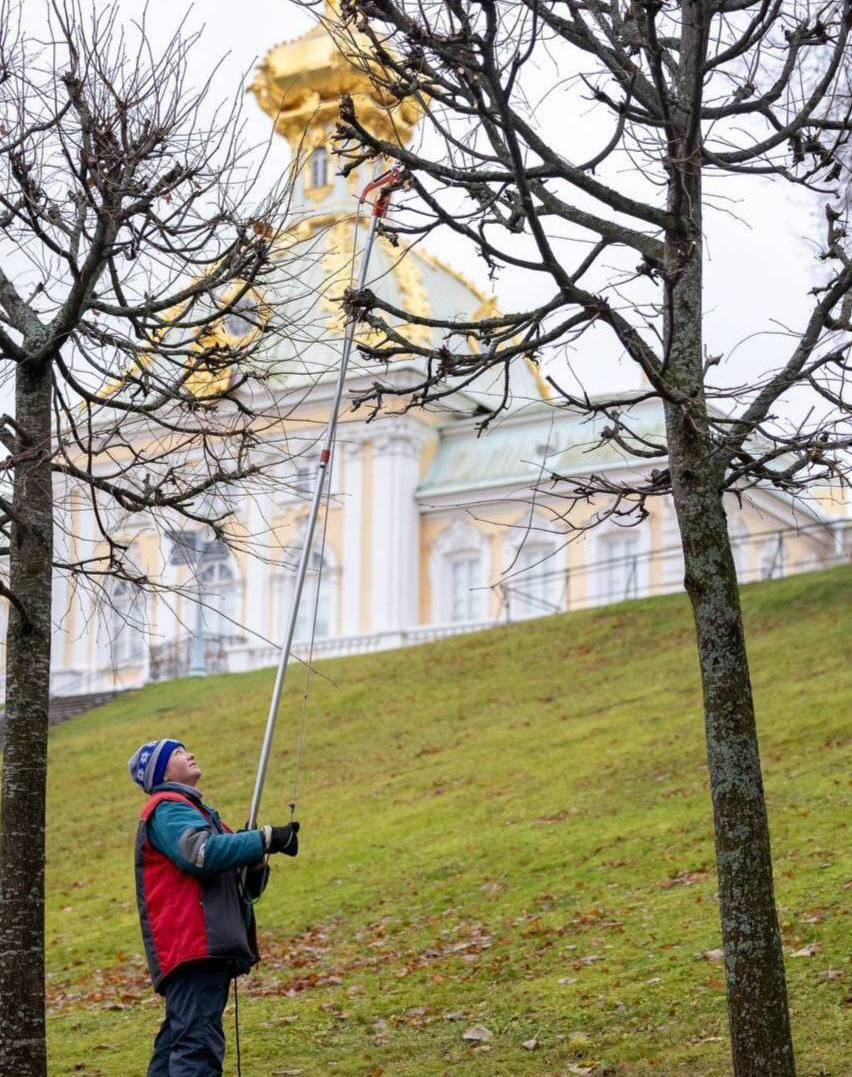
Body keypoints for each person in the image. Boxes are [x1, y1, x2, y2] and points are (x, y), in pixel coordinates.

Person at [129, 738, 299, 1077]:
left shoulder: (198, 815)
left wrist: (257, 861)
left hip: (202, 946)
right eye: (177, 753)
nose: (189, 753)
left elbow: (245, 888)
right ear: (161, 771)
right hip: (193, 945)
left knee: (175, 1048)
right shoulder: (168, 807)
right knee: (197, 1049)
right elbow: (200, 854)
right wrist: (263, 839)